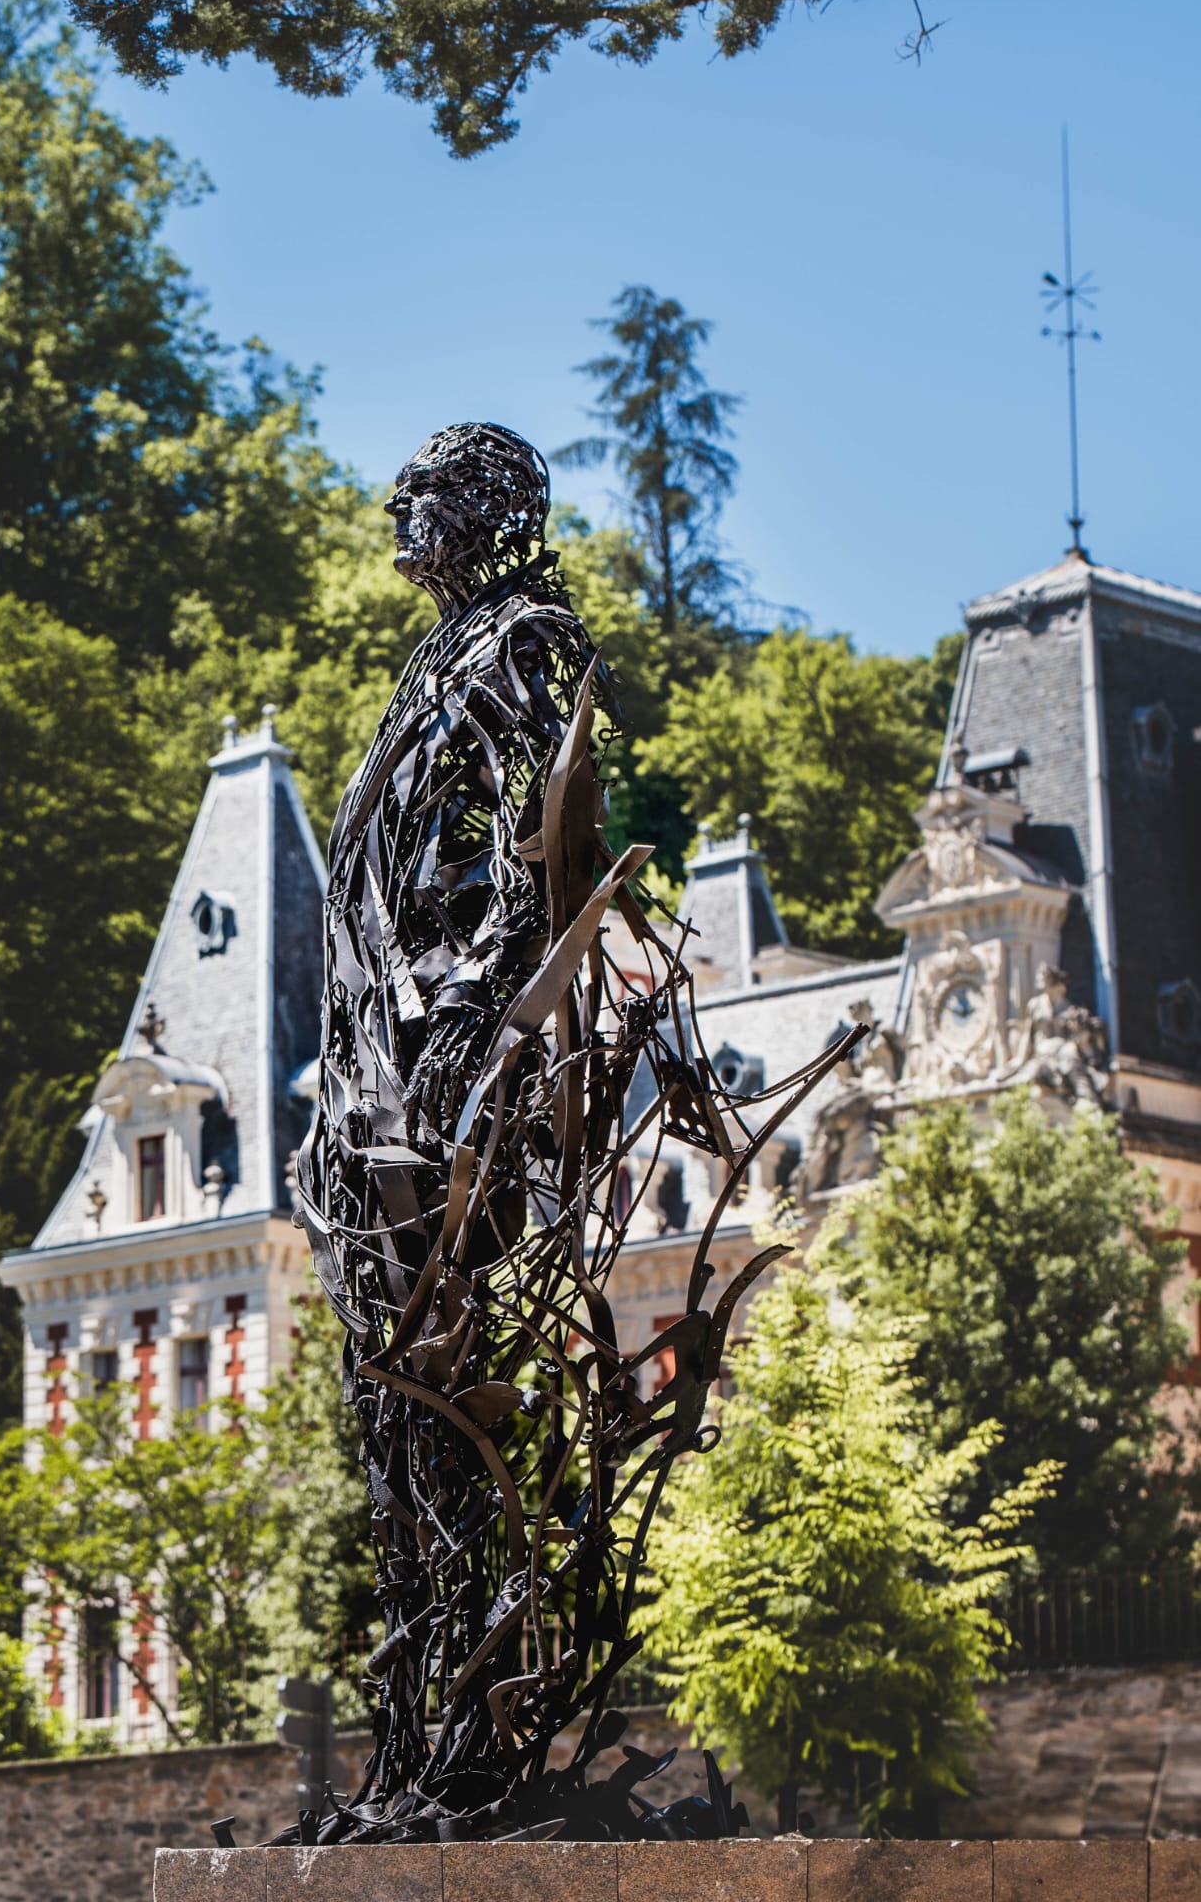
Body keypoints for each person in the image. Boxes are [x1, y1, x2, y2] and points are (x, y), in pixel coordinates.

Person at [294, 423, 849, 1838]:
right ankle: (413, 1752)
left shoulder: (521, 646)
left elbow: (538, 863)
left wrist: (466, 1025)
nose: (398, 510)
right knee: (393, 1416)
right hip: (373, 1082)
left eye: (426, 494)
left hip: (448, 1088)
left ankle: (475, 1752)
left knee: (450, 1394)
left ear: (487, 511)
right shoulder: (426, 668)